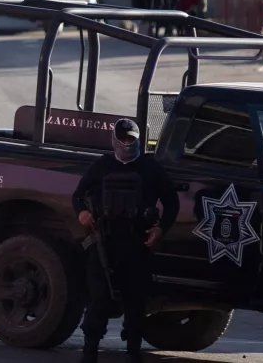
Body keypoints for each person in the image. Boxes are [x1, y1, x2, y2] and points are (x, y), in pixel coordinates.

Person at [73, 119, 179, 363]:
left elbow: (172, 202)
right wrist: (82, 213)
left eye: (131, 139)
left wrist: (161, 229)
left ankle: (133, 351)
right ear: (114, 139)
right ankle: (89, 352)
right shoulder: (102, 165)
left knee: (135, 301)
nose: (127, 143)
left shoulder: (150, 168)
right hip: (105, 244)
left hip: (136, 246)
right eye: (123, 139)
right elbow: (78, 195)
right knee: (99, 298)